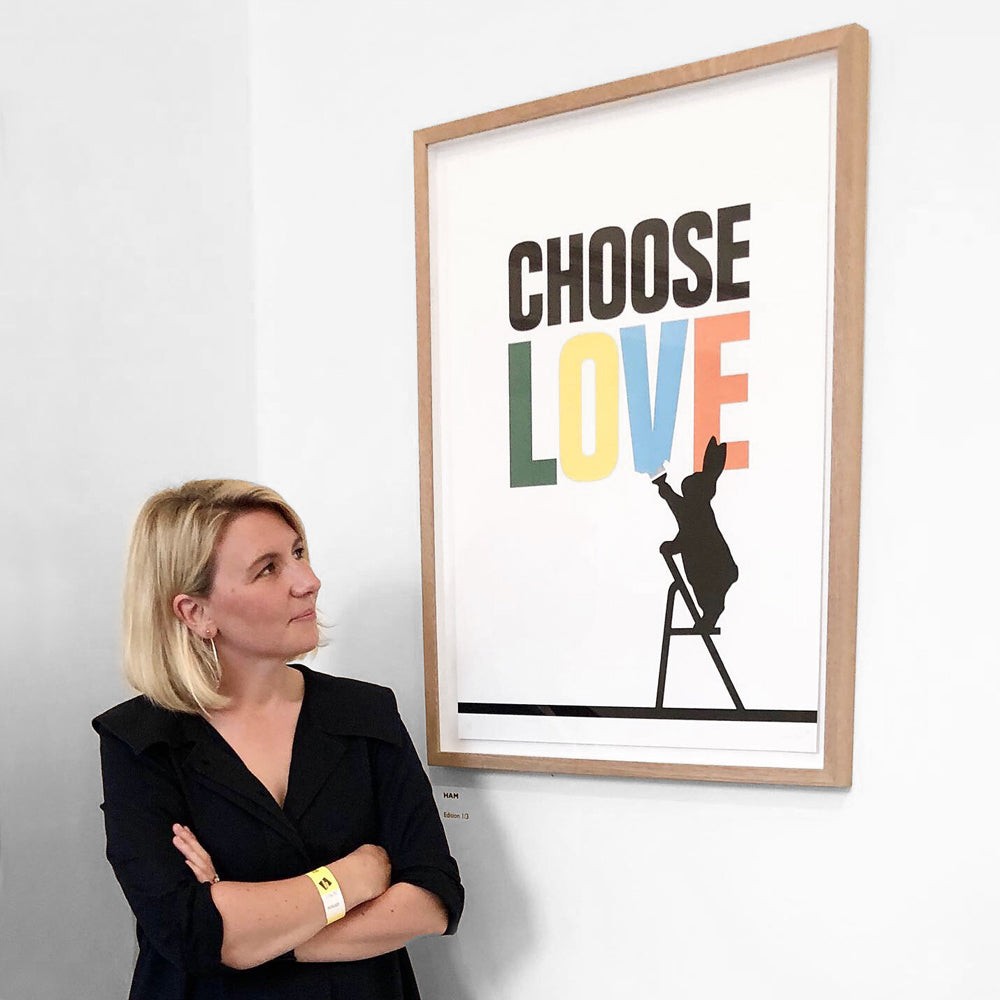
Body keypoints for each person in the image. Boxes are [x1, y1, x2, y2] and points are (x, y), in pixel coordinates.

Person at [93, 479, 463, 999]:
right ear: (196, 613)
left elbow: (432, 898)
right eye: (268, 568)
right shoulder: (141, 741)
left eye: (298, 553)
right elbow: (188, 929)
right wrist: (354, 877)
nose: (309, 581)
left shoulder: (364, 713)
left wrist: (255, 935)